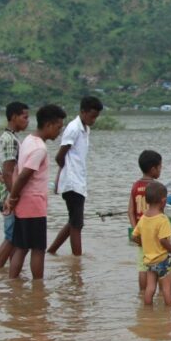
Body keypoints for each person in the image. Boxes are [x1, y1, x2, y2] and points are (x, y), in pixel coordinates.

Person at [5, 104, 67, 280]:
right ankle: (38, 288)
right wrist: (13, 197)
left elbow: (18, 173)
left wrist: (14, 198)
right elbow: (24, 175)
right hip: (33, 205)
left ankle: (12, 284)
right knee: (38, 249)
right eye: (58, 128)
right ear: (48, 125)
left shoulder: (27, 140)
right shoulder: (39, 148)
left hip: (24, 204)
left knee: (21, 247)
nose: (58, 132)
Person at [49, 96, 103, 256]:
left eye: (96, 117)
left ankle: (51, 251)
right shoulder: (73, 128)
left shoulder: (86, 129)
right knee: (77, 224)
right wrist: (66, 173)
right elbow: (60, 156)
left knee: (74, 221)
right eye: (92, 116)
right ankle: (77, 261)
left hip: (79, 181)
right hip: (72, 183)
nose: (93, 120)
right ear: (83, 112)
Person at [131, 181, 171, 306]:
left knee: (150, 287)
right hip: (163, 259)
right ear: (163, 202)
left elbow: (134, 236)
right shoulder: (163, 219)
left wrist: (143, 244)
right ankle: (169, 310)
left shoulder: (143, 218)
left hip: (149, 260)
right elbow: (164, 240)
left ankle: (147, 308)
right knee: (167, 288)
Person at [0, 102, 30, 269]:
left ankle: (10, 279)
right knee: (11, 238)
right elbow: (7, 173)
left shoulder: (7, 137)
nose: (27, 121)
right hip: (8, 195)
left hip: (5, 193)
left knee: (15, 238)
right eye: (25, 117)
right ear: (14, 117)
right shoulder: (10, 140)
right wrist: (13, 197)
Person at [127, 150, 163, 291]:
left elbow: (130, 211)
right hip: (155, 234)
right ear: (153, 169)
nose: (161, 170)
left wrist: (135, 230)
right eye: (160, 167)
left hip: (141, 234)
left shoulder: (135, 186)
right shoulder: (157, 187)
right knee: (159, 264)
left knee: (142, 266)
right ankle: (159, 292)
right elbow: (161, 212)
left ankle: (143, 293)